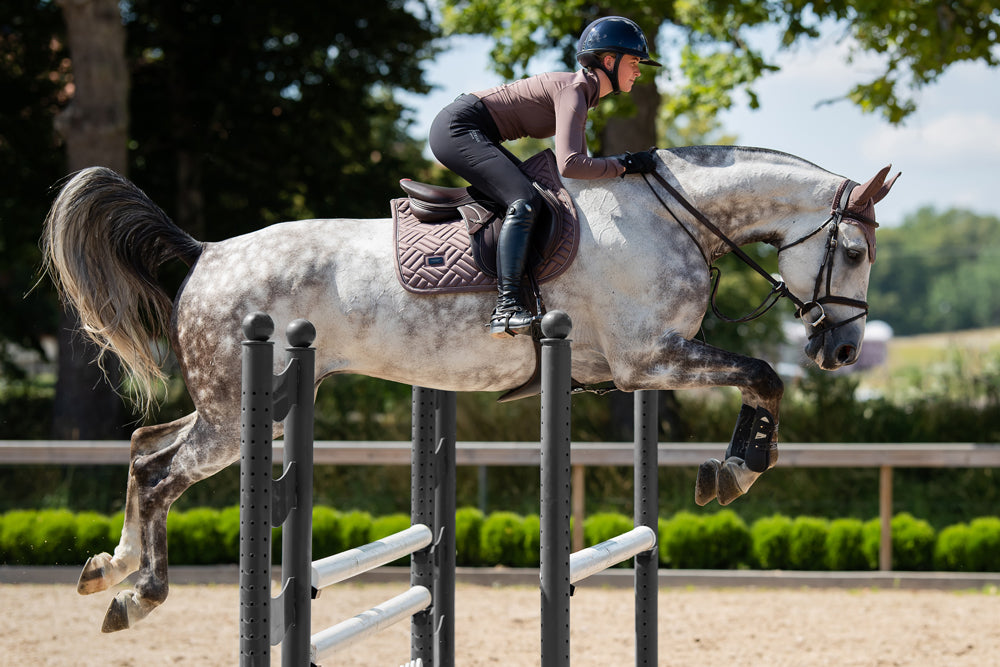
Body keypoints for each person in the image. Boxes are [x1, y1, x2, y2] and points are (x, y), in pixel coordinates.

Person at [429, 16, 661, 337]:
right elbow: (571, 164)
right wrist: (625, 164)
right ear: (609, 61)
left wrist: (623, 168)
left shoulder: (583, 92)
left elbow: (580, 169)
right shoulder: (575, 90)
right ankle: (506, 307)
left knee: (535, 197)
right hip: (457, 129)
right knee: (524, 202)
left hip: (472, 129)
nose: (638, 71)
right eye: (634, 62)